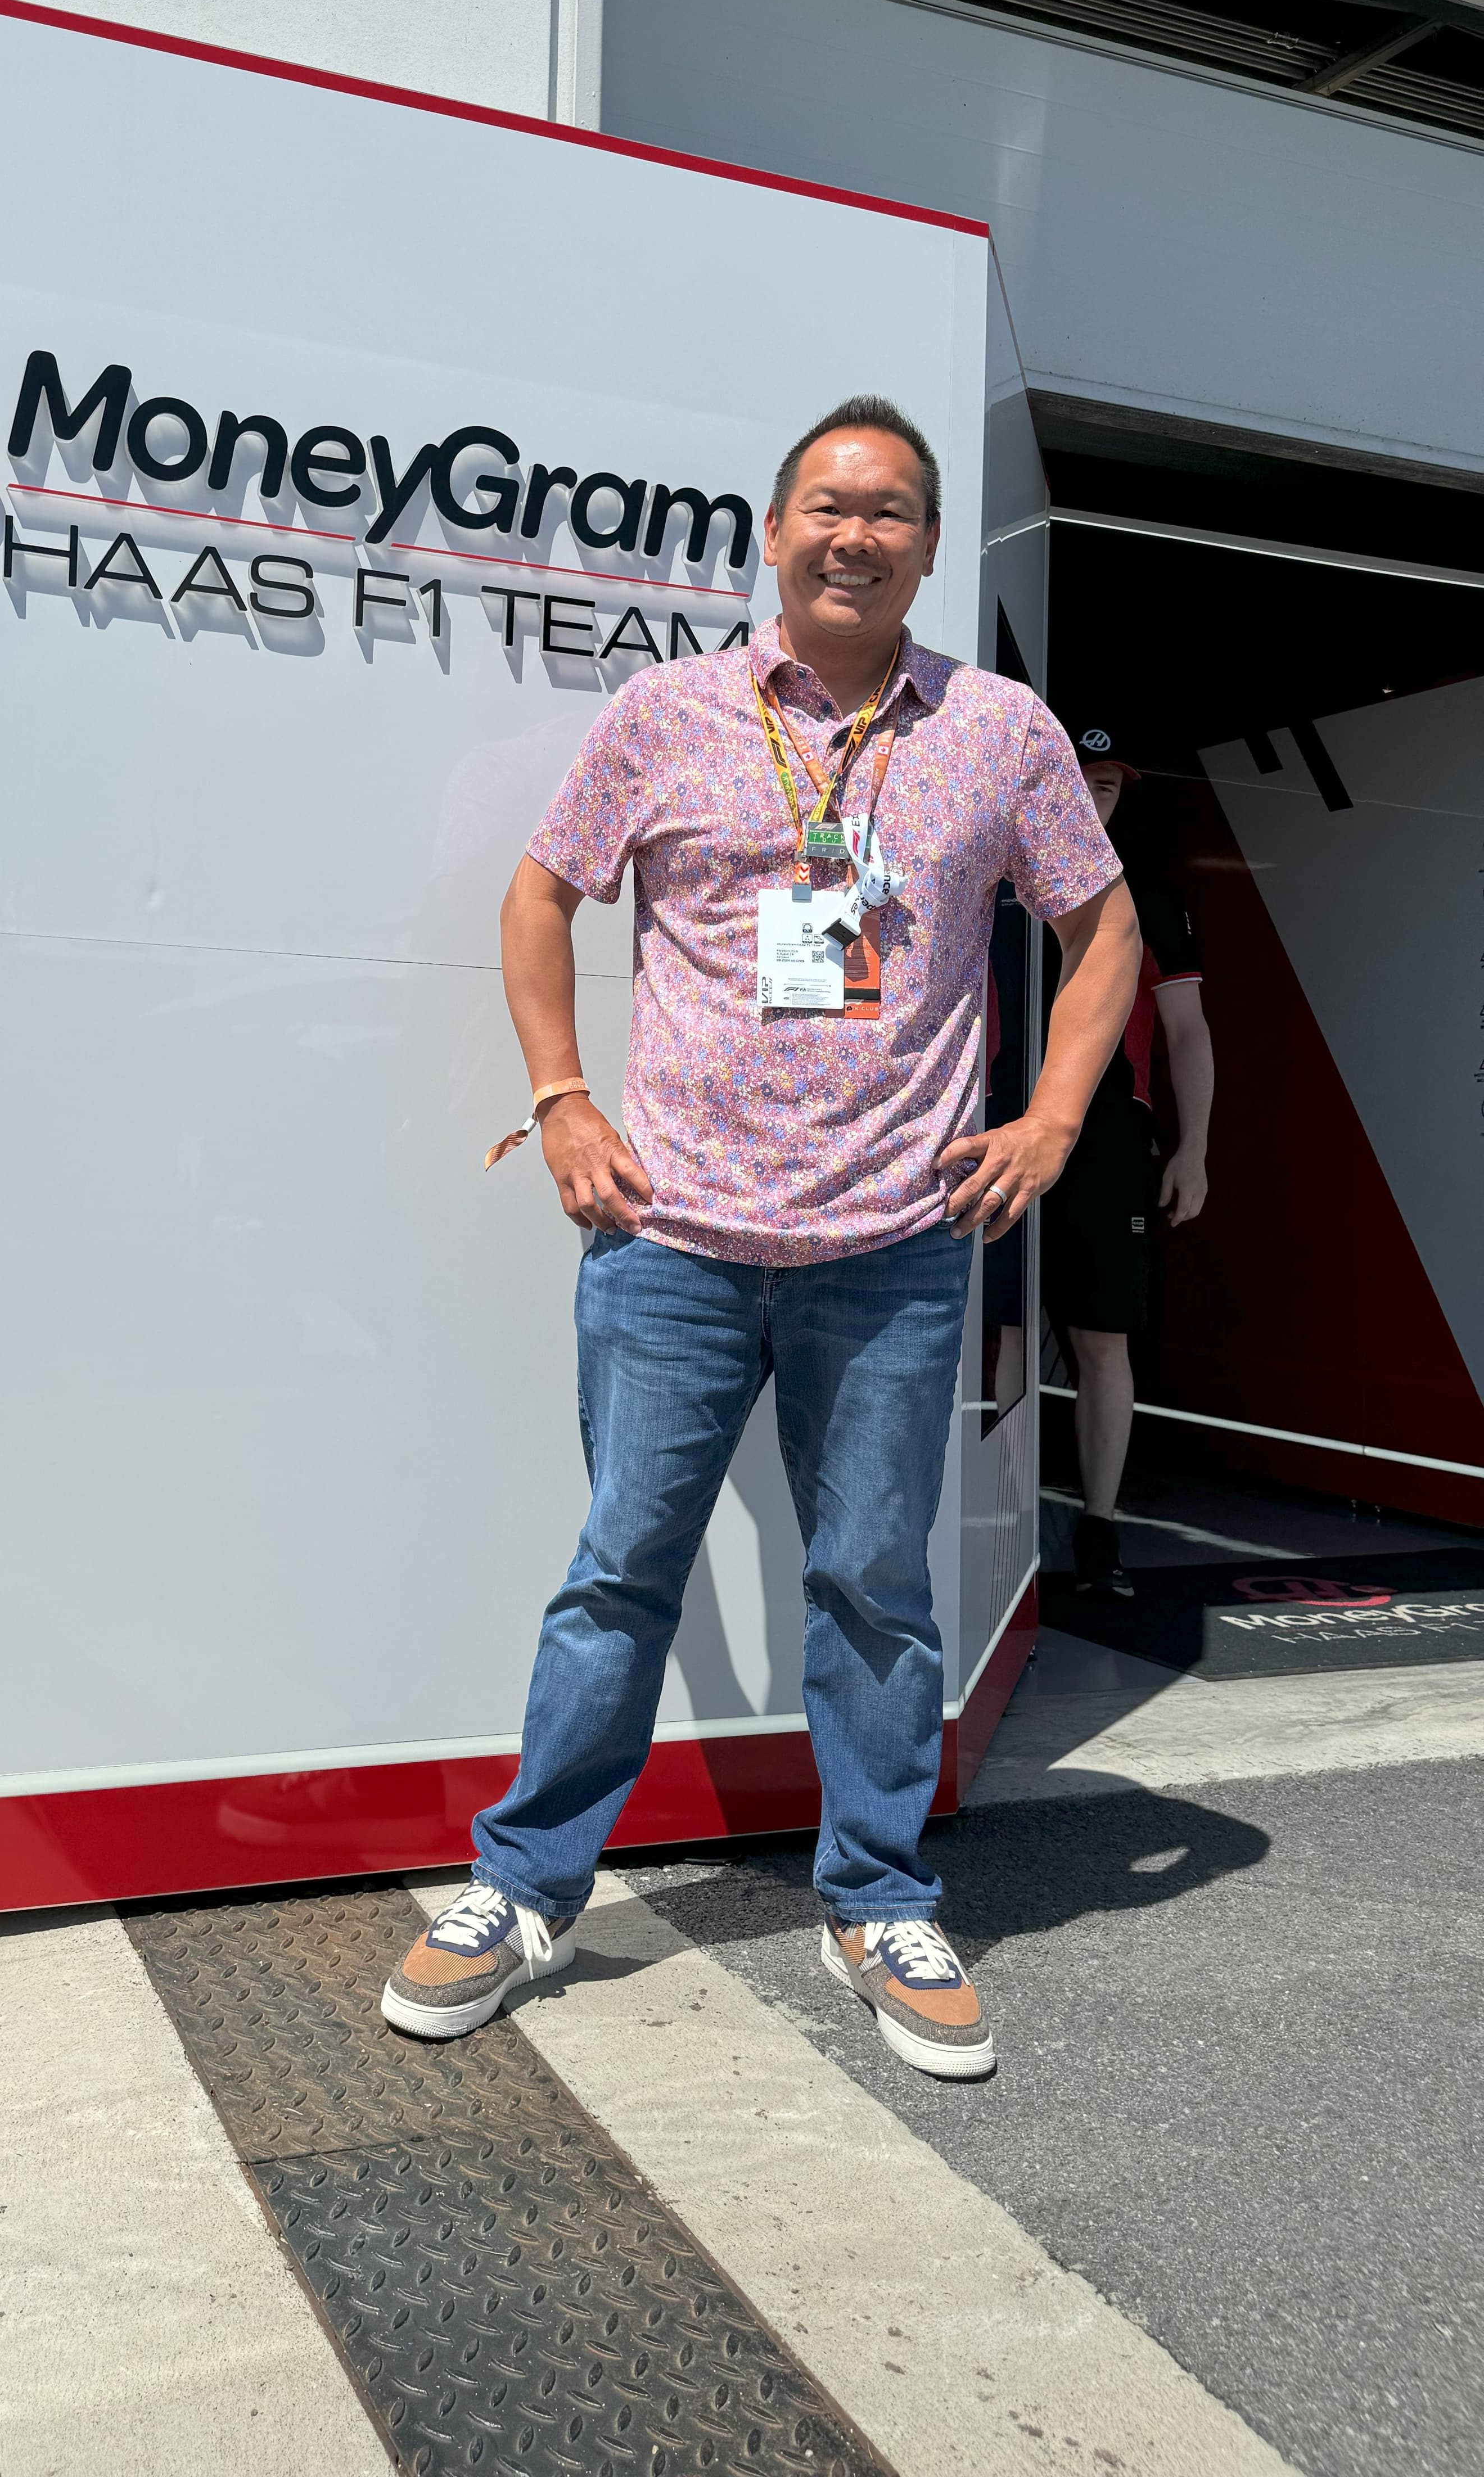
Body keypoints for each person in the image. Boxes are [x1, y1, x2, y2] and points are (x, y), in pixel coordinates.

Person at [380, 396, 1138, 2081]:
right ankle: (525, 1886)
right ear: (773, 534)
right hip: (675, 1243)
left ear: (930, 549)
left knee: (876, 1591)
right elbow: (539, 893)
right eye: (824, 504)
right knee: (619, 1573)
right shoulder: (668, 713)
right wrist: (564, 1097)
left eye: (887, 511)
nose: (851, 533)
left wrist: (1058, 1122)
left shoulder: (1000, 731)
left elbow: (1104, 930)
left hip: (892, 1241)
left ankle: (876, 1896)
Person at [1044, 727, 1214, 1599]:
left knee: (1099, 1338)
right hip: (981, 1125)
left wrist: (1195, 1148)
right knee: (989, 1329)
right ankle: (984, 1537)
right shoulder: (993, 871)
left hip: (1110, 1140)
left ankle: (1099, 1528)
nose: (1093, 797)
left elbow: (1187, 1030)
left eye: (1107, 786)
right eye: (1079, 777)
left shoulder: (1149, 894)